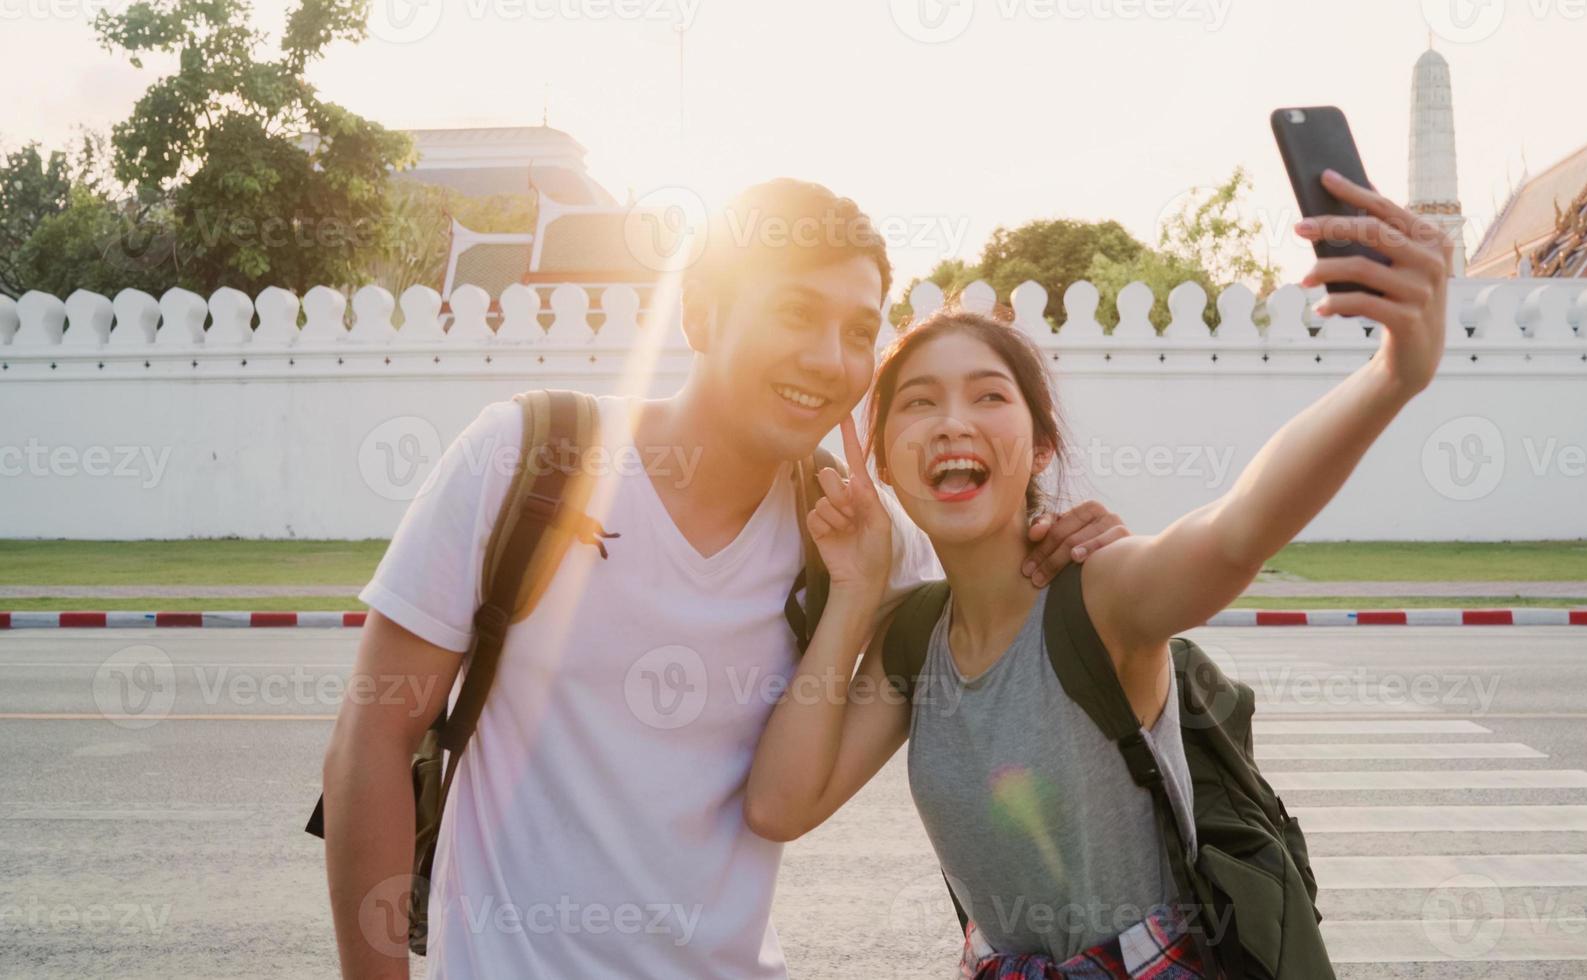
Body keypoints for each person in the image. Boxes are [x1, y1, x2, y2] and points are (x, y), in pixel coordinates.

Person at [319, 178, 1130, 979]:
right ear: (701, 313)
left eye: (857, 331)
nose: (830, 359)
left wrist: (1072, 541)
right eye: (795, 314)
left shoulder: (858, 544)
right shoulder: (528, 460)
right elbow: (375, 739)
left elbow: (1008, 609)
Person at [744, 169, 1451, 977]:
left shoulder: (1100, 595)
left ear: (1040, 446)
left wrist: (1391, 376)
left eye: (988, 397)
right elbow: (780, 804)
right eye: (917, 403)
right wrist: (857, 591)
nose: (951, 424)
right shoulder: (913, 641)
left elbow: (1233, 533)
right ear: (881, 459)